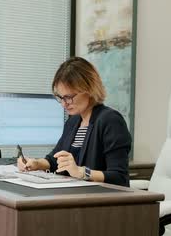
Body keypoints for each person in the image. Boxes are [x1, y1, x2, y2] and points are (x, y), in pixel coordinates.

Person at [17, 57, 131, 187]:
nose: (64, 104)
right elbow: (54, 161)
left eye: (69, 97)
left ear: (89, 89)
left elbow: (119, 177)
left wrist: (82, 172)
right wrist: (36, 164)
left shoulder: (110, 120)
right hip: (75, 197)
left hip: (101, 200)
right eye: (61, 97)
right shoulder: (73, 121)